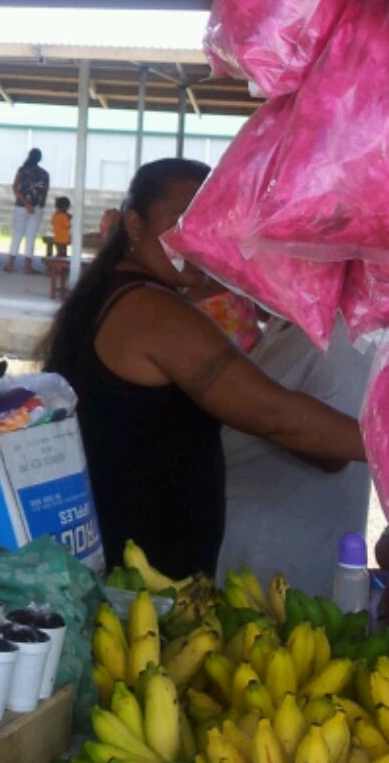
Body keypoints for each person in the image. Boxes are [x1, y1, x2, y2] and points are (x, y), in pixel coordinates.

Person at [41, 157, 365, 580]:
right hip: (143, 574)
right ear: (134, 224)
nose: (195, 239)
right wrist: (378, 444)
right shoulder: (155, 312)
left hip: (122, 555)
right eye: (180, 222)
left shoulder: (118, 294)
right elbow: (275, 415)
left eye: (209, 222)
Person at [223, 316, 372, 596]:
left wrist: (270, 416)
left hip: (281, 547)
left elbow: (334, 450)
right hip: (247, 530)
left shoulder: (346, 336)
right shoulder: (295, 320)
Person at [5, 149, 50, 275]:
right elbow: (45, 191)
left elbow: (15, 188)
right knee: (31, 236)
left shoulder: (22, 170)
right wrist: (38, 205)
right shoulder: (44, 174)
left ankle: (10, 264)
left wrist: (25, 203)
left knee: (17, 234)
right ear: (40, 159)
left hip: (21, 206)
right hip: (37, 207)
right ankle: (27, 266)